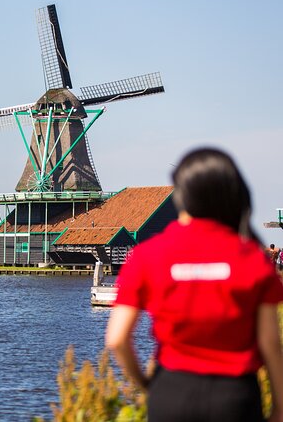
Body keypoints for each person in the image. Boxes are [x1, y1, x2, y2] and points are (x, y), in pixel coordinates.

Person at [105, 147, 283, 422]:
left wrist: (148, 385)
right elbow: (270, 342)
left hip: (172, 391)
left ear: (181, 194)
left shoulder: (147, 255)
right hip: (234, 396)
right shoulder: (252, 257)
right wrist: (280, 409)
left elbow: (117, 339)